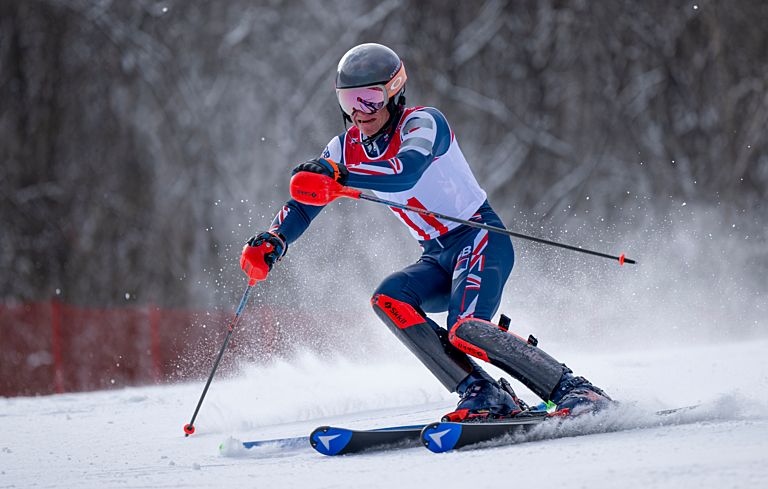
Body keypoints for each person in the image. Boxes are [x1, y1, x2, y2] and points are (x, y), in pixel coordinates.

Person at [241, 43, 612, 419]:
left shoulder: (423, 123)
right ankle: (483, 392)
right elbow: (304, 203)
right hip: (436, 256)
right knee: (389, 299)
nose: (359, 111)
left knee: (465, 328)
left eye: (371, 99)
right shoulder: (344, 148)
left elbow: (406, 171)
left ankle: (572, 388)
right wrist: (274, 239)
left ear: (394, 94)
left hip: (480, 238)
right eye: (349, 100)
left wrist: (339, 176)